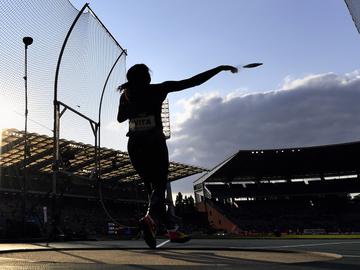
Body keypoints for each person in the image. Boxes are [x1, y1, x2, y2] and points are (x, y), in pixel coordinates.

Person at [117, 64, 238, 248]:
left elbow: (120, 118)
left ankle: (171, 230)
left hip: (134, 144)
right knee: (159, 185)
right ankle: (150, 219)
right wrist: (218, 69)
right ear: (147, 78)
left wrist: (135, 107)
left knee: (153, 189)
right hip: (154, 141)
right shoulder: (158, 89)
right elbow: (192, 82)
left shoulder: (126, 95)